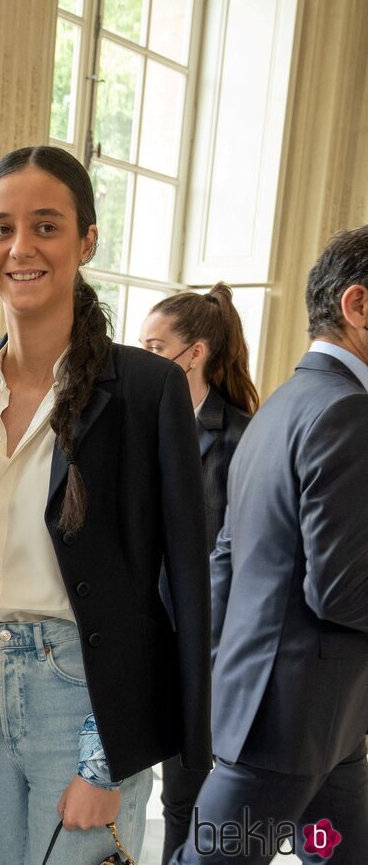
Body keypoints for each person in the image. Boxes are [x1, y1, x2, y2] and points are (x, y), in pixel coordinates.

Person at [0, 146, 212, 864]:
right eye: (0, 227)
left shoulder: (145, 389)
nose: (20, 247)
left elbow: (172, 580)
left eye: (45, 226)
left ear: (87, 240)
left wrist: (108, 757)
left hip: (78, 701)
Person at [171, 226, 368, 864]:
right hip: (289, 730)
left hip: (310, 725)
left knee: (341, 853)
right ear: (358, 306)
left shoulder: (286, 403)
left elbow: (228, 558)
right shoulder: (345, 411)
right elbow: (340, 589)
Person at [139, 284, 259, 863]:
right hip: (138, 638)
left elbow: (243, 560)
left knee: (190, 799)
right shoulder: (135, 425)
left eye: (155, 345)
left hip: (208, 650)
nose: (143, 356)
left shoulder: (241, 438)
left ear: (196, 353)